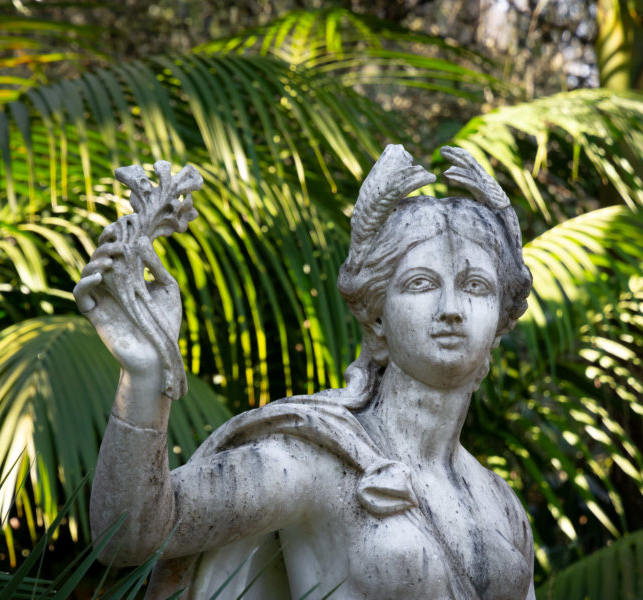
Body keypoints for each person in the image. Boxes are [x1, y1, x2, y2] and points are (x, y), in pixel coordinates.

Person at [75, 144, 535, 599]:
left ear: (500, 319)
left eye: (476, 286)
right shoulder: (318, 458)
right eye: (421, 283)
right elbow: (130, 537)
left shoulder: (499, 503)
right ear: (377, 315)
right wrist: (145, 379)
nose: (451, 310)